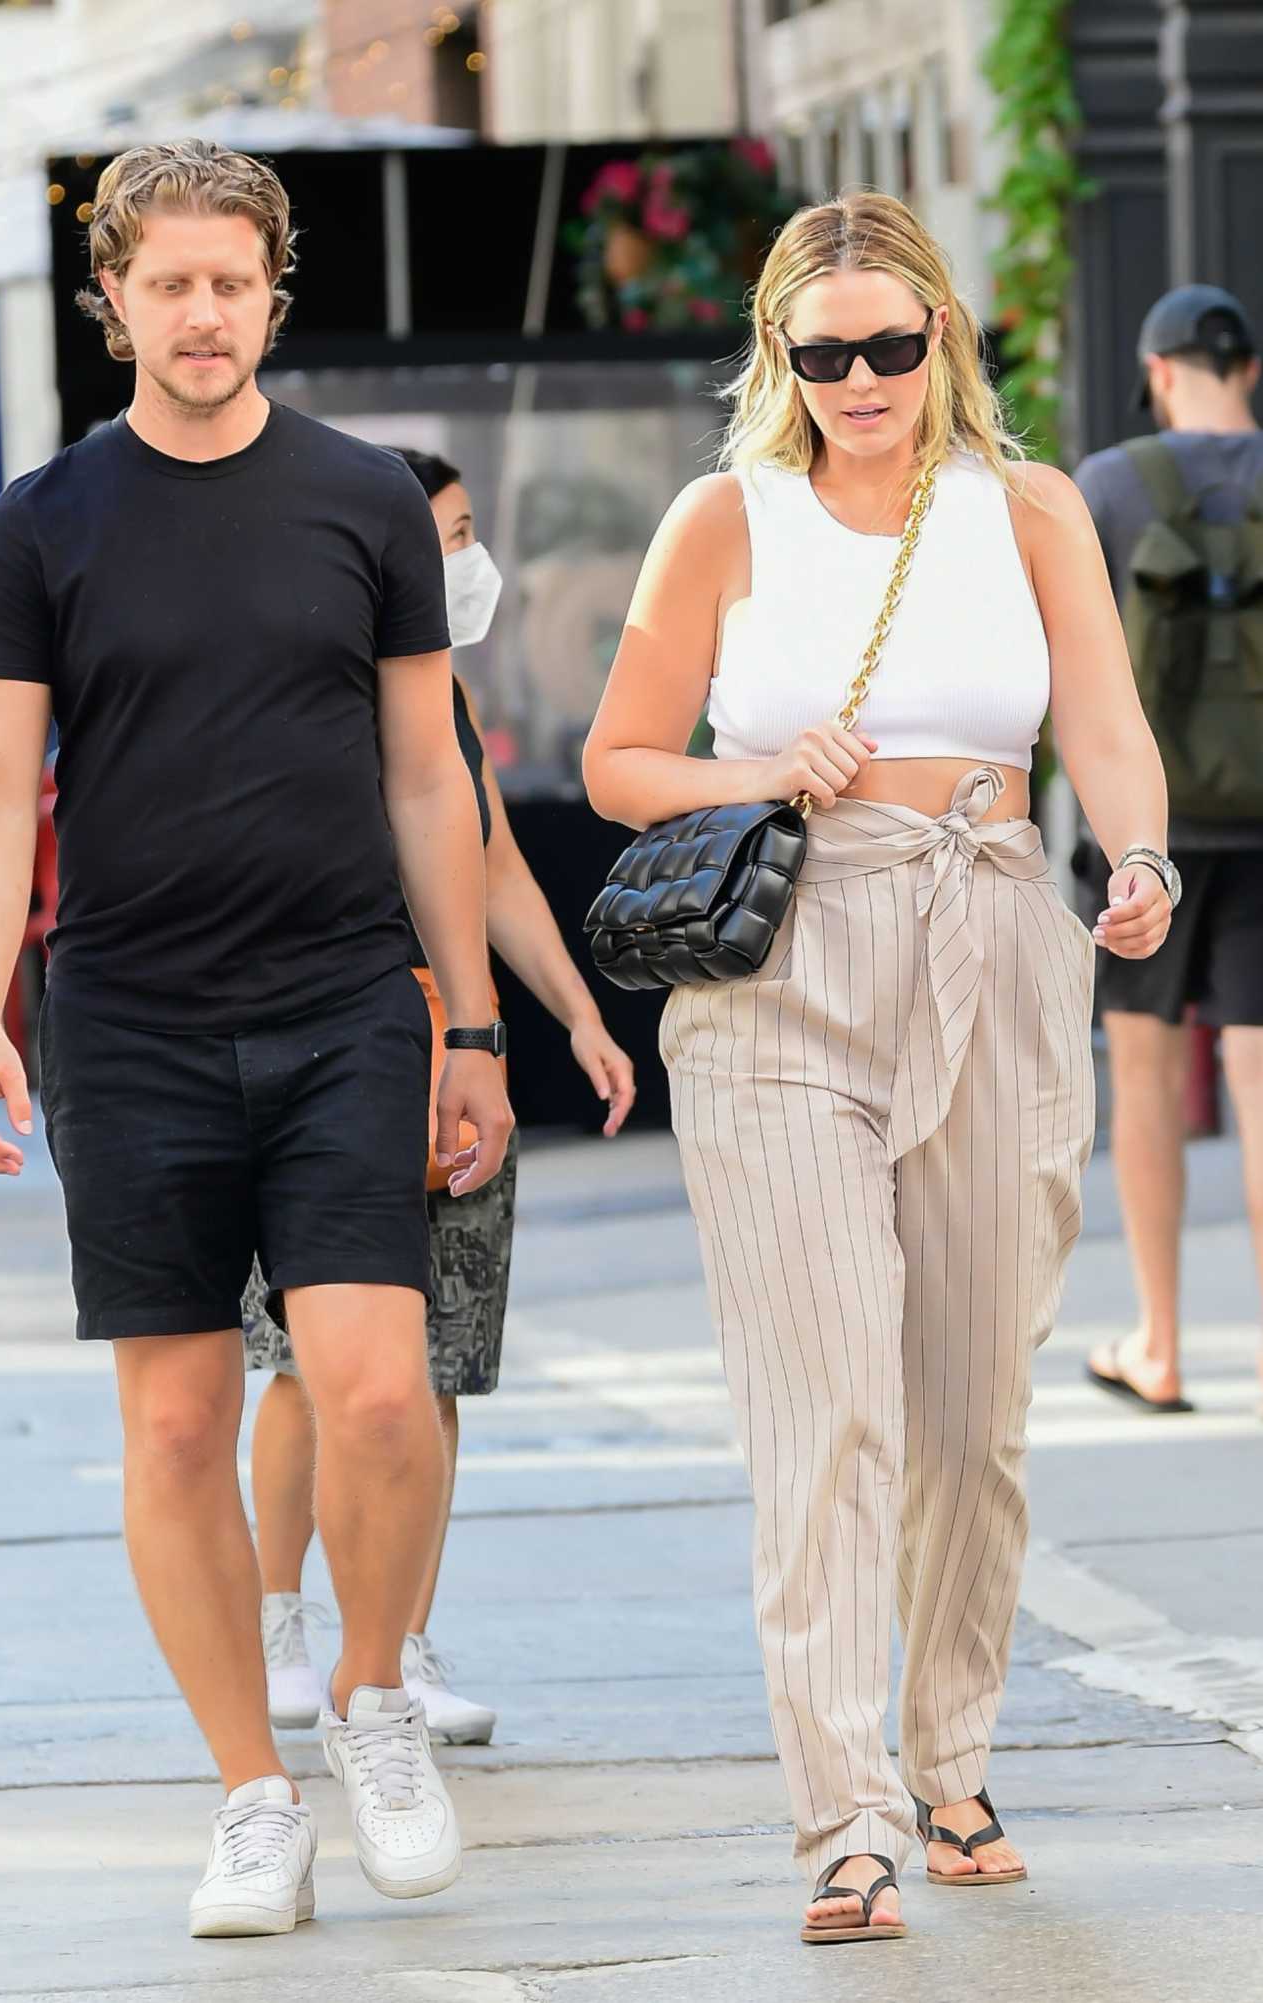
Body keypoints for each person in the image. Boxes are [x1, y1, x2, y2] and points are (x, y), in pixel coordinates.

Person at [583, 191, 1174, 1943]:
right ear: (779, 351)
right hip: (786, 966)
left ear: (942, 337)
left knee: (974, 1404)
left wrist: (1137, 857)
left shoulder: (1030, 508)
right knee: (827, 1401)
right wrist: (757, 773)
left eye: (890, 346)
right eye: (822, 351)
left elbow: (1107, 724)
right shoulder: (724, 518)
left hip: (993, 929)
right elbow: (620, 761)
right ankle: (846, 1815)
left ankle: (951, 1749)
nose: (858, 381)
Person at [0, 141, 513, 1940]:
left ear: (274, 292)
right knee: (179, 1419)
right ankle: (253, 1795)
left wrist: (473, 1020)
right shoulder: (40, 522)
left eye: (233, 282)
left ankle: (372, 1697)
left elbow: (430, 777)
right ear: (113, 297)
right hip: (129, 1020)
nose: (204, 313)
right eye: (170, 283)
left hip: (346, 1003)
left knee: (378, 1388)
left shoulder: (363, 501)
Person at [245, 445, 636, 1746]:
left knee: (442, 1362)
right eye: (445, 536)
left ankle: (400, 1644)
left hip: (454, 1051)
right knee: (304, 1366)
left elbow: (497, 865)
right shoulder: (307, 676)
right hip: (327, 1045)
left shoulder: (448, 692)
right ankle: (279, 1624)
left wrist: (576, 1012)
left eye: (469, 533)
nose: (468, 560)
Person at [1074, 286, 1263, 1416]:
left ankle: (1160, 1343)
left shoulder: (1108, 484)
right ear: (1248, 369)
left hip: (1142, 834)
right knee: (1261, 1082)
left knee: (1142, 1076)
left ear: (1156, 371)